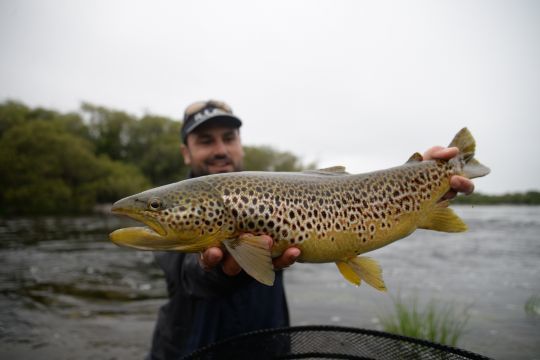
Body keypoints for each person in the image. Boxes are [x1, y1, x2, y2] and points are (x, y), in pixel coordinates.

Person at [147, 100, 475, 359]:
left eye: (228, 138)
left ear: (240, 144)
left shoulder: (272, 189)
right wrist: (219, 267)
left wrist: (421, 174)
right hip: (186, 351)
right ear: (185, 152)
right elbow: (190, 274)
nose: (220, 149)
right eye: (205, 140)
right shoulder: (173, 215)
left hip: (270, 348)